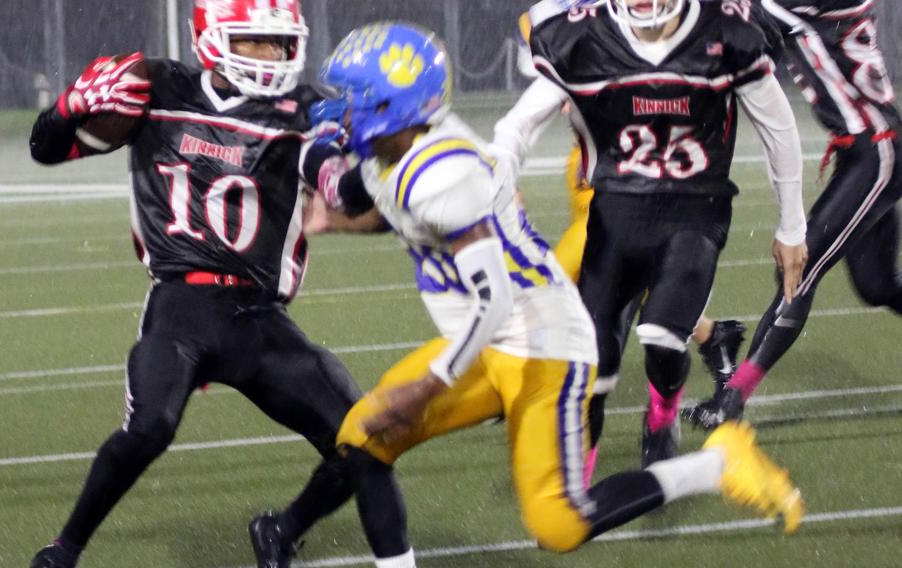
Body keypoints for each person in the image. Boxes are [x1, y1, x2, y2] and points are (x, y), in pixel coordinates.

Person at [304, 20, 802, 557]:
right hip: (489, 343)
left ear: (391, 108)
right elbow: (364, 195)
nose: (344, 109)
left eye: (355, 99)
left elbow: (491, 298)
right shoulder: (399, 151)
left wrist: (425, 387)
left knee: (558, 525)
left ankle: (719, 463)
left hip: (542, 348)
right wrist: (330, 214)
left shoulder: (441, 175)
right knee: (362, 437)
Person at [26, 2, 410, 567]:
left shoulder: (301, 110)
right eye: (258, 40)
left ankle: (283, 530)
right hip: (180, 303)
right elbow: (46, 147)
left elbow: (345, 194)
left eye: (282, 43)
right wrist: (68, 106)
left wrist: (367, 160)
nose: (275, 54)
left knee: (362, 439)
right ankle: (63, 550)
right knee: (148, 429)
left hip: (258, 316)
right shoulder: (156, 86)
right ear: (215, 39)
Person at [526, 0, 809, 467]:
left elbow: (775, 120)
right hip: (610, 186)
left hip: (688, 197)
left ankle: (663, 403)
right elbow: (548, 88)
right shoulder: (566, 23)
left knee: (652, 329)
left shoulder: (720, 28)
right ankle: (707, 338)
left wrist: (792, 225)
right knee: (592, 349)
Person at [494, 8, 747, 480]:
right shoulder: (557, 19)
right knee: (615, 303)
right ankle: (713, 337)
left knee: (560, 292)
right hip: (597, 179)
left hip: (645, 180)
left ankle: (534, 402)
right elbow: (555, 94)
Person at [686, 0, 902, 428]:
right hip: (862, 151)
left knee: (797, 270)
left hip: (877, 150)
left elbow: (735, 20)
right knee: (877, 286)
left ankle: (732, 400)